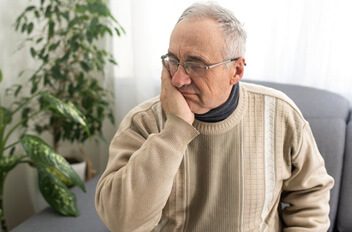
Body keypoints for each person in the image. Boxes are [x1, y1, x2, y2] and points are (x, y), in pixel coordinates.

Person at [95, 2, 334, 231]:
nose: (178, 79)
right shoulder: (142, 122)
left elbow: (311, 195)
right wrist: (174, 132)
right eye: (173, 61)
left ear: (236, 70)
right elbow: (122, 223)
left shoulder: (281, 115)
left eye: (195, 65)